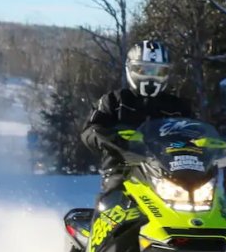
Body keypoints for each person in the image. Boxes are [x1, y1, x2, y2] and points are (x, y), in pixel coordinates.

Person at [81, 40, 195, 197]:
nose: (151, 76)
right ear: (132, 69)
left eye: (158, 71)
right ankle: (100, 220)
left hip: (172, 177)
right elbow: (90, 130)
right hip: (123, 173)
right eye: (144, 69)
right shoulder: (114, 100)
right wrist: (113, 141)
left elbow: (196, 133)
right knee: (112, 202)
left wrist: (220, 147)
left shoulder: (178, 107)